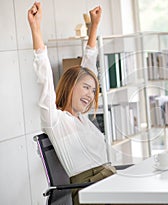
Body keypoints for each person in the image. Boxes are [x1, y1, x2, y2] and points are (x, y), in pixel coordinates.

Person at [28, 2, 116, 205]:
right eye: (85, 87)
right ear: (71, 86)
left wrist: (94, 26)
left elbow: (89, 67)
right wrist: (36, 28)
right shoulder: (55, 120)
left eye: (93, 90)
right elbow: (44, 79)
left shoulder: (82, 119)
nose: (90, 94)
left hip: (108, 181)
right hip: (91, 191)